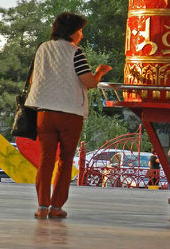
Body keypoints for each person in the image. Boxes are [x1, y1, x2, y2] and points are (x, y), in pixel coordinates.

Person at [25, 12, 112, 219]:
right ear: (71, 32)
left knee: (46, 160)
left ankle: (42, 206)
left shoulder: (42, 48)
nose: (81, 35)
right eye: (79, 30)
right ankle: (56, 207)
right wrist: (100, 71)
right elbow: (89, 82)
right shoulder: (75, 52)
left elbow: (32, 80)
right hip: (70, 114)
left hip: (43, 113)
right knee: (64, 160)